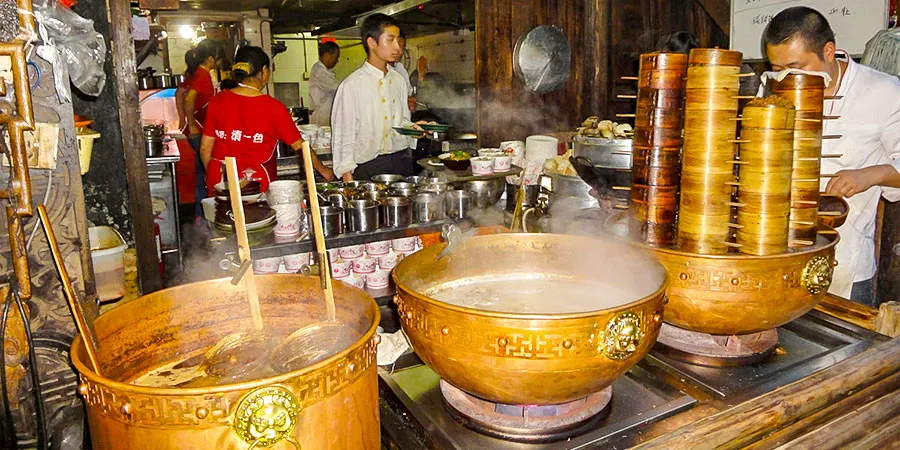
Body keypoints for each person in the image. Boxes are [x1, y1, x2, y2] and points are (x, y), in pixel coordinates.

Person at [764, 6, 900, 306]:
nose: (786, 77)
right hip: (777, 256)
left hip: (845, 264)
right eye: (777, 68)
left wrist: (870, 175)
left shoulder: (884, 93)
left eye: (797, 66)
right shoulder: (775, 88)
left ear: (828, 51)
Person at [200, 46, 334, 196]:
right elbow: (300, 146)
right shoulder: (273, 108)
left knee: (220, 212)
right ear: (264, 71)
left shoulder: (217, 101)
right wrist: (323, 170)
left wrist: (212, 175)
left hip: (219, 181)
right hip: (255, 185)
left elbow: (205, 148)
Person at [331, 14, 423, 181]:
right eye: (390, 40)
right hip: (369, 165)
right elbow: (344, 134)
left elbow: (401, 121)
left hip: (402, 160)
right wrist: (346, 172)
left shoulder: (398, 80)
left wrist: (413, 129)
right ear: (372, 43)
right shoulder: (352, 85)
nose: (398, 47)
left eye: (398, 40)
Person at [184, 39, 226, 218]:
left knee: (202, 175)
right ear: (210, 58)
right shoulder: (203, 74)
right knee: (204, 176)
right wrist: (192, 124)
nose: (220, 62)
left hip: (201, 129)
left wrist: (184, 120)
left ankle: (201, 217)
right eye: (218, 58)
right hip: (199, 131)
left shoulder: (200, 73)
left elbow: (181, 94)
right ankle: (202, 217)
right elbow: (188, 98)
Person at [309, 41, 340, 126]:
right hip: (322, 116)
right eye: (336, 57)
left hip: (325, 114)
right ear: (327, 55)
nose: (337, 61)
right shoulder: (319, 71)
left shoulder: (324, 70)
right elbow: (336, 86)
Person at [176, 48, 199, 135]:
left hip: (195, 120)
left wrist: (182, 118)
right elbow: (179, 93)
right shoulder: (195, 77)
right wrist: (183, 118)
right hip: (197, 119)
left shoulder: (194, 76)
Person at [390, 32, 415, 111]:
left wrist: (409, 100)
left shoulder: (399, 67)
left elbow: (408, 90)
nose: (401, 52)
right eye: (397, 46)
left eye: (403, 47)